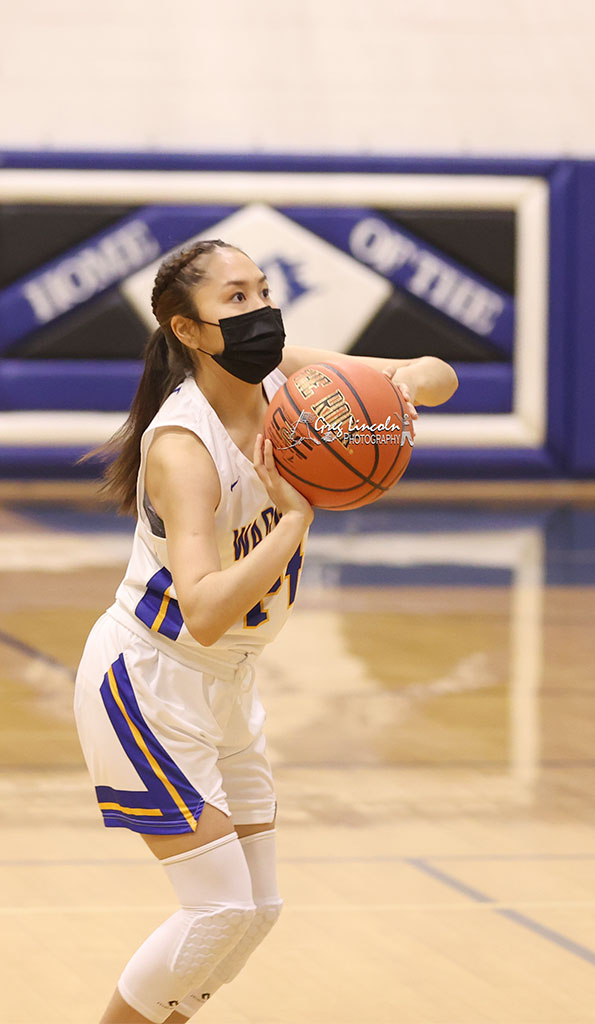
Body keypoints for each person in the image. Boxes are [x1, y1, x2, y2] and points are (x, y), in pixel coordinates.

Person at [74, 238, 458, 1023]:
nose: (261, 311)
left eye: (263, 291)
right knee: (218, 910)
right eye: (236, 299)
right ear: (188, 330)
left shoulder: (291, 382)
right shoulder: (184, 447)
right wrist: (291, 523)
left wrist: (402, 385)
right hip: (147, 682)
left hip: (225, 685)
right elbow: (204, 610)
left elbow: (436, 373)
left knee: (255, 913)